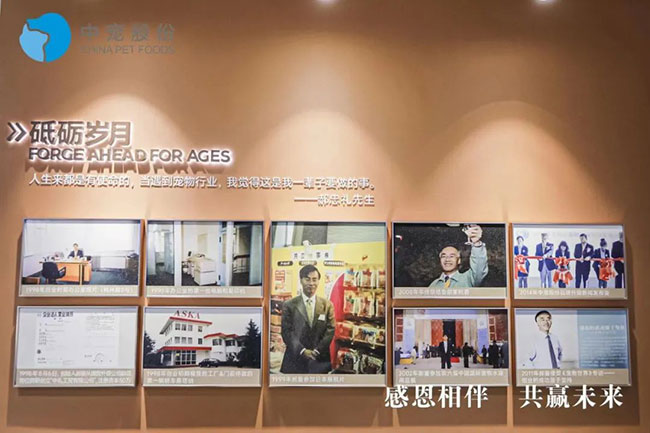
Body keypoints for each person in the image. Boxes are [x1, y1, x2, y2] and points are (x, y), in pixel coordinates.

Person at [280, 265, 335, 374]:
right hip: (295, 360)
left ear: (318, 281)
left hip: (319, 359)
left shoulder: (327, 305)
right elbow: (287, 331)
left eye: (314, 279)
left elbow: (330, 330)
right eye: (307, 279)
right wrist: (302, 351)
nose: (311, 283)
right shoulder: (289, 305)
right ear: (301, 280)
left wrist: (317, 350)